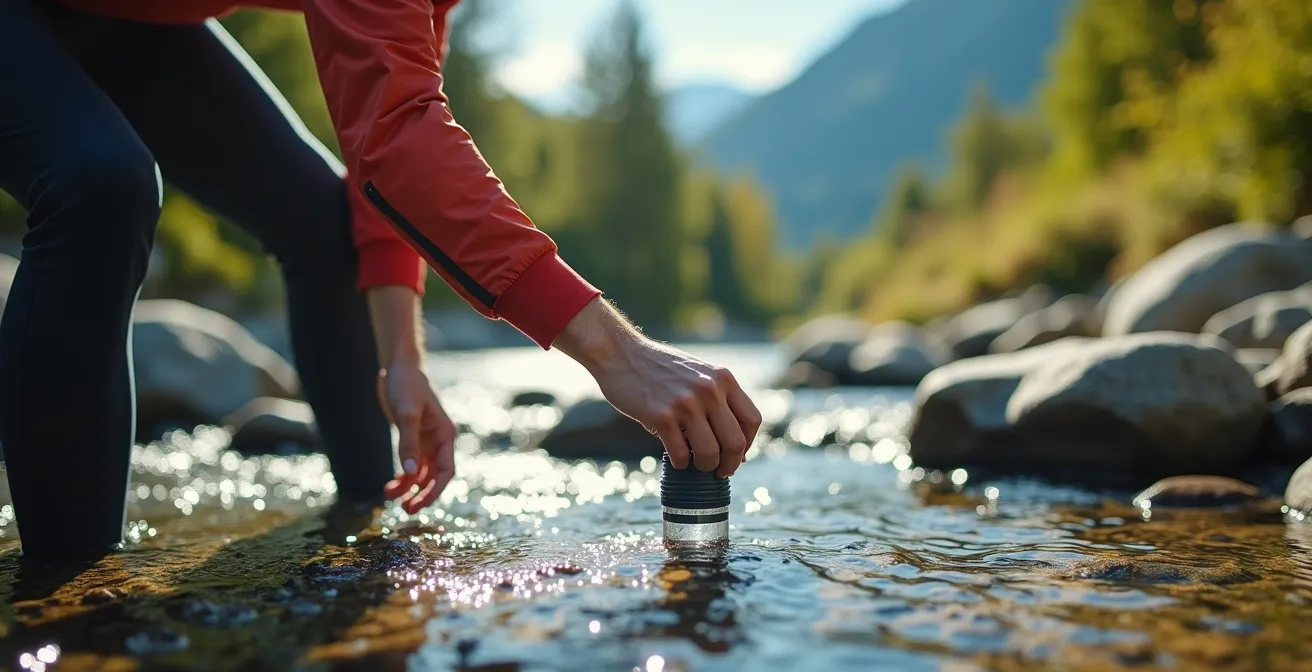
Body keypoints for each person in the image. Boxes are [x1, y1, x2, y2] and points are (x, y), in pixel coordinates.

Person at [0, 0, 763, 562]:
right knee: (101, 183)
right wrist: (618, 354)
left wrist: (401, 359)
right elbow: (402, 146)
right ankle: (70, 600)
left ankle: (366, 537)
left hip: (137, 20)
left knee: (327, 226)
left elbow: (390, 130)